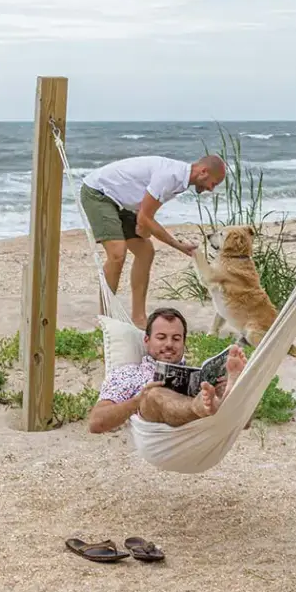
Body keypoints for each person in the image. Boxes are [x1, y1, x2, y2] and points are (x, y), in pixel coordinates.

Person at [81, 153, 226, 327]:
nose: (211, 189)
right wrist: (178, 246)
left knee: (146, 252)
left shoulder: (180, 182)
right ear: (203, 171)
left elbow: (145, 215)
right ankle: (104, 318)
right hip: (99, 193)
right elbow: (145, 218)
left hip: (122, 202)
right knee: (117, 254)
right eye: (213, 183)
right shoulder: (171, 176)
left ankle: (139, 318)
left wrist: (143, 228)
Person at [88, 307, 247, 434]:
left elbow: (247, 425)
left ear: (184, 342)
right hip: (157, 431)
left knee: (217, 386)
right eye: (161, 337)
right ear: (147, 340)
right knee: (154, 394)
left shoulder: (199, 378)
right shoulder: (128, 373)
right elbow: (96, 423)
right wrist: (137, 400)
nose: (169, 344)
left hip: (198, 433)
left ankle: (226, 394)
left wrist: (220, 388)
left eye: (176, 338)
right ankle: (199, 406)